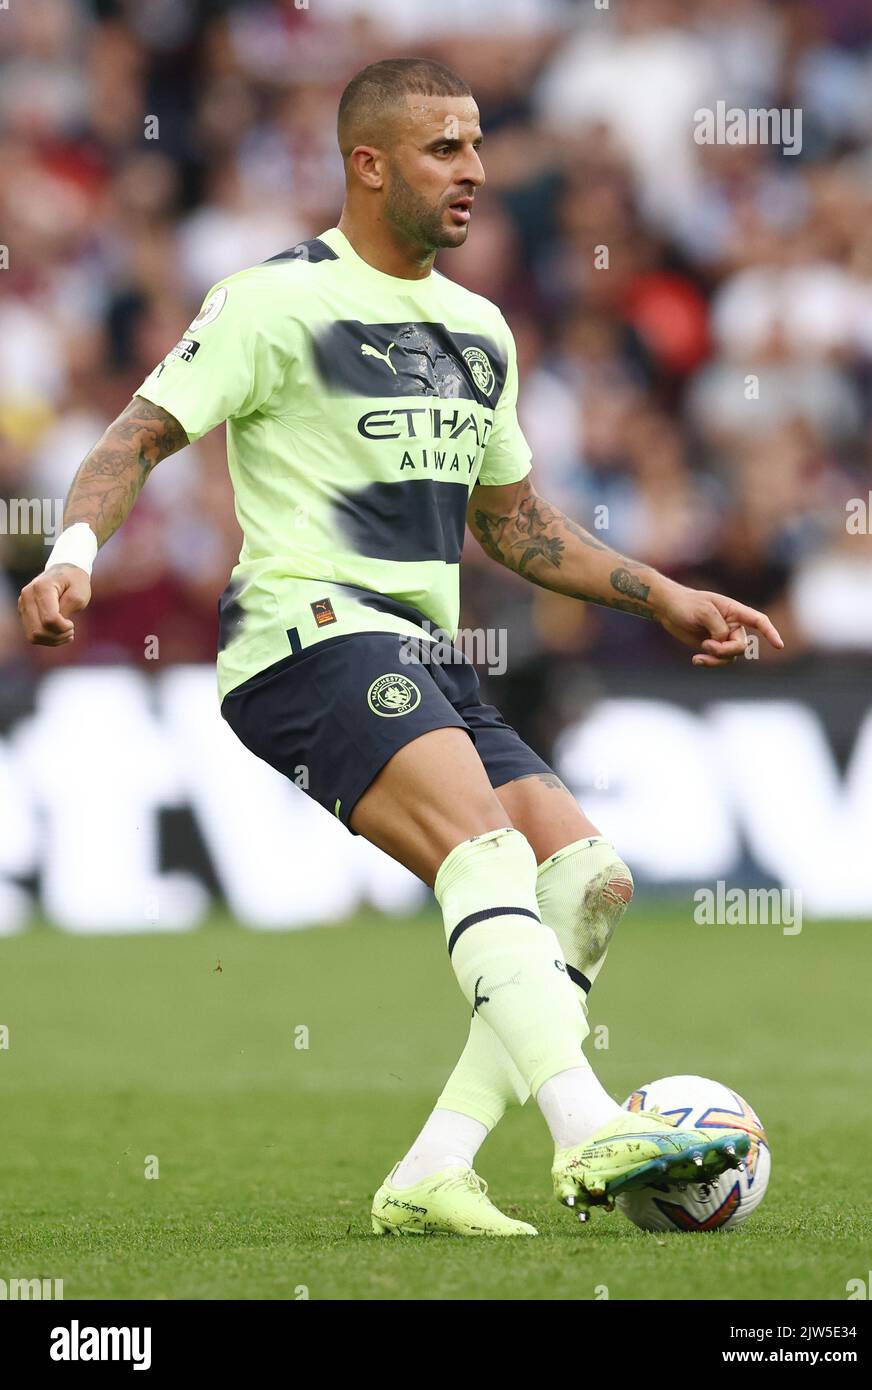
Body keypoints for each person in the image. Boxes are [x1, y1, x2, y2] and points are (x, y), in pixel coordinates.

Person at [19, 58, 781, 1237]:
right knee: (480, 848)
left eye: (477, 145)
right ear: (368, 165)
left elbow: (513, 525)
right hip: (302, 636)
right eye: (443, 148)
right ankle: (588, 1132)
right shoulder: (272, 302)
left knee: (588, 882)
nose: (475, 169)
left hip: (426, 655)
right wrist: (72, 548)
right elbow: (137, 435)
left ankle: (436, 1167)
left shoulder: (479, 332)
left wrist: (665, 594)